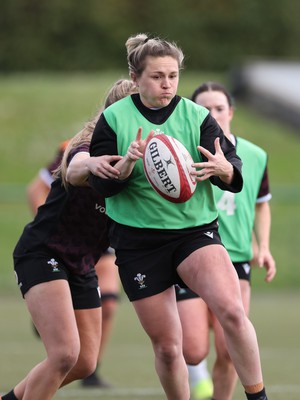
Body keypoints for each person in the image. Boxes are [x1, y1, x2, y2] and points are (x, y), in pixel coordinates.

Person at [88, 33, 270, 400]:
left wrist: (224, 169)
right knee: (171, 349)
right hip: (138, 243)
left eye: (172, 75)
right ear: (136, 77)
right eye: (157, 76)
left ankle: (258, 396)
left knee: (233, 313)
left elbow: (235, 173)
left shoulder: (197, 116)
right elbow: (100, 187)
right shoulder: (113, 120)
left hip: (195, 234)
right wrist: (125, 165)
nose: (167, 83)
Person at [1, 79, 138, 400]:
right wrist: (90, 164)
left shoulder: (141, 158)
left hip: (82, 263)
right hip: (43, 252)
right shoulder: (85, 144)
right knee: (64, 353)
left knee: (85, 362)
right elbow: (76, 165)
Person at [176, 81, 276, 400]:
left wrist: (263, 247)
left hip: (235, 256)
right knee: (192, 350)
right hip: (192, 252)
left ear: (230, 112)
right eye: (205, 109)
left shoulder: (256, 155)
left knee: (229, 348)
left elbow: (262, 204)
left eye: (219, 108)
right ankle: (195, 373)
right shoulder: (179, 152)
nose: (213, 114)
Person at [27, 144, 119, 389]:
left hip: (98, 244)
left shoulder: (144, 156)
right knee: (65, 353)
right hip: (57, 245)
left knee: (108, 305)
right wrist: (46, 221)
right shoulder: (76, 148)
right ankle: (50, 311)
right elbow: (36, 189)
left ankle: (93, 370)